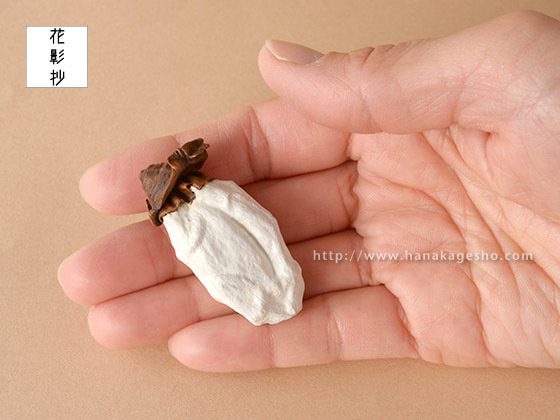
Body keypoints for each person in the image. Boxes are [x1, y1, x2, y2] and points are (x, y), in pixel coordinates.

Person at [58, 10, 560, 371]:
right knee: (251, 288)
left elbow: (259, 226)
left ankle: (277, 295)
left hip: (269, 276)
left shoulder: (214, 197)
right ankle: (275, 297)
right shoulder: (186, 225)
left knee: (265, 283)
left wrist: (280, 274)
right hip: (254, 283)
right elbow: (217, 265)